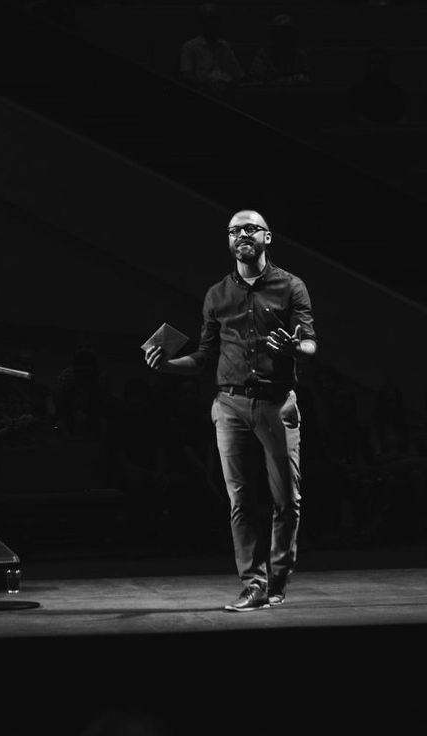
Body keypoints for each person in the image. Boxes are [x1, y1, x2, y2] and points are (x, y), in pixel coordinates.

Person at [145, 209, 317, 611]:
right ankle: (253, 583)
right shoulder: (217, 294)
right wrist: (168, 366)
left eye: (250, 228)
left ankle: (277, 579)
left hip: (276, 404)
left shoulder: (291, 286)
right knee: (239, 500)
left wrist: (295, 347)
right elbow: (205, 356)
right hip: (229, 404)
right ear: (228, 241)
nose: (242, 234)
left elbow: (309, 342)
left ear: (267, 238)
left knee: (286, 499)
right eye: (234, 230)